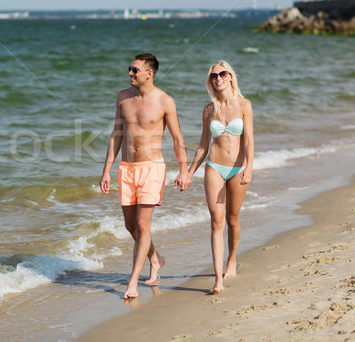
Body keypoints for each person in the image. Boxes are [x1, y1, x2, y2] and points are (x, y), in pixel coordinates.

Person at [100, 53, 192, 299]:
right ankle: (156, 258)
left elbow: (177, 139)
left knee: (143, 225)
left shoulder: (165, 101)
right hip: (126, 168)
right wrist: (107, 169)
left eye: (134, 70)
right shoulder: (123, 98)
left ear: (149, 73)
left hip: (152, 167)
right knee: (130, 225)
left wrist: (184, 170)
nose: (130, 73)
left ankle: (132, 282)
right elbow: (116, 135)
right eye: (129, 68)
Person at [188, 60, 254, 295]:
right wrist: (187, 173)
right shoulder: (209, 110)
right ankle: (218, 280)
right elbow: (202, 146)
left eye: (222, 74)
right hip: (214, 166)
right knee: (217, 222)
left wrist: (249, 167)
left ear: (230, 77)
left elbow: (248, 140)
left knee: (232, 219)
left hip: (238, 168)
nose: (218, 78)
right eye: (214, 75)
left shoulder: (244, 105)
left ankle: (232, 259)